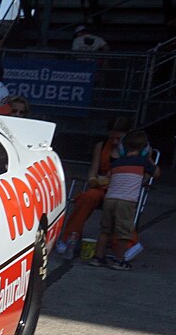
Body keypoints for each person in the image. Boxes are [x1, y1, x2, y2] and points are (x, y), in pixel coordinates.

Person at [57, 116, 132, 259]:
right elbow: (94, 168)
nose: (114, 141)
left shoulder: (136, 148)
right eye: (112, 137)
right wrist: (92, 179)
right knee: (87, 197)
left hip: (123, 189)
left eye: (118, 138)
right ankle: (69, 237)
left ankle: (127, 245)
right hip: (102, 187)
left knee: (122, 205)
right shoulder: (102, 145)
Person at [90, 130, 160, 270]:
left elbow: (109, 177)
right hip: (126, 201)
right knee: (123, 233)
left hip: (110, 199)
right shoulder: (143, 162)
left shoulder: (117, 163)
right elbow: (156, 173)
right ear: (144, 148)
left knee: (105, 230)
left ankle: (98, 258)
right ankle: (119, 260)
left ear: (123, 147)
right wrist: (150, 159)